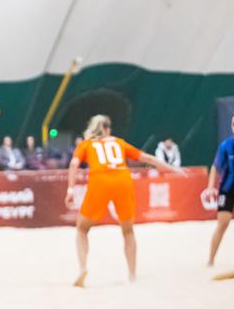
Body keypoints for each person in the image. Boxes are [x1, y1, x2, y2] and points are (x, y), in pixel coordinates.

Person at [65, 115, 184, 287]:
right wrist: (172, 169)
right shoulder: (119, 142)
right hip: (122, 179)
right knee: (128, 231)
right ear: (108, 129)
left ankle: (83, 268)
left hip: (100, 180)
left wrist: (70, 189)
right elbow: (148, 158)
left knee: (82, 228)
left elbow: (73, 164)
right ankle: (132, 275)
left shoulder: (86, 144)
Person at [203, 112, 234, 271]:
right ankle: (210, 260)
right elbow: (215, 167)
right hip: (227, 189)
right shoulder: (226, 146)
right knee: (222, 224)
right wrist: (210, 187)